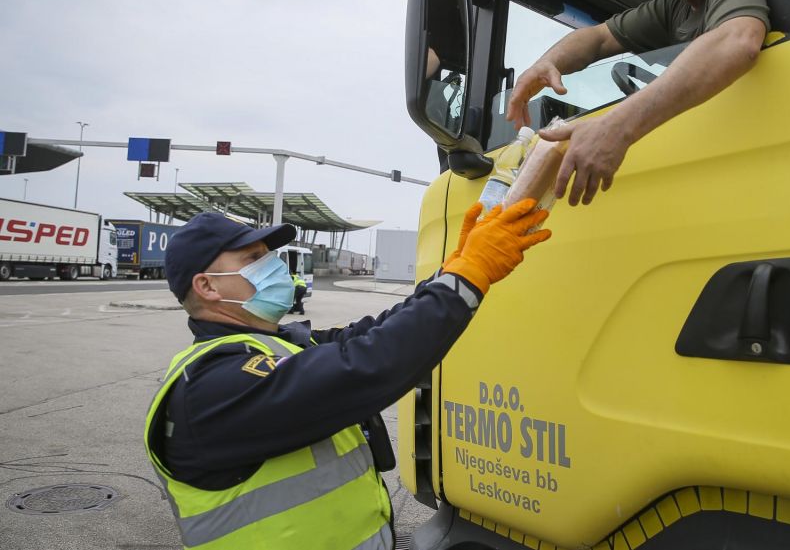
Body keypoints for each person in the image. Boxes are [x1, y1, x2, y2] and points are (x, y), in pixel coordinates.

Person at [144, 202, 550, 549]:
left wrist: (449, 272)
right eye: (252, 259)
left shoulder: (283, 345)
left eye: (268, 255)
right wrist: (468, 278)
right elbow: (367, 366)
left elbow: (373, 334)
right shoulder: (212, 386)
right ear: (208, 287)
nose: (273, 265)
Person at [506, 0, 770, 206]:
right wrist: (548, 63)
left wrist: (618, 127)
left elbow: (738, 41)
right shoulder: (675, 5)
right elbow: (600, 38)